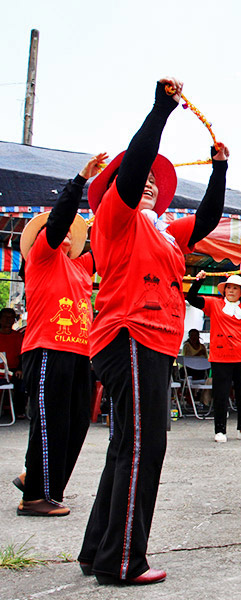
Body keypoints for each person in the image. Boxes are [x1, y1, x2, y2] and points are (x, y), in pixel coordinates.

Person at [78, 77, 228, 585]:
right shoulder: (114, 218)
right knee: (145, 445)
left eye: (151, 185)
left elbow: (207, 218)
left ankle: (98, 551)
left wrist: (219, 169)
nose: (146, 184)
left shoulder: (164, 231)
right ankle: (123, 563)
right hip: (129, 333)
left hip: (151, 341)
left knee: (128, 444)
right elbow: (138, 163)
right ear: (118, 186)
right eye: (135, 179)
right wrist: (161, 110)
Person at [14, 153, 105, 517]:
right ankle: (35, 496)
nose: (67, 232)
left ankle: (36, 479)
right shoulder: (42, 255)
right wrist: (80, 181)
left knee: (77, 422)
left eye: (72, 230)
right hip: (47, 347)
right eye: (60, 228)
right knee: (50, 421)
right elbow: (59, 220)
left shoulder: (81, 266)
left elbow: (106, 237)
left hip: (81, 352)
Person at [186, 266, 241, 442]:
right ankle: (220, 430)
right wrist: (199, 281)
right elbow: (191, 298)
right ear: (224, 290)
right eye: (229, 287)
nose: (231, 290)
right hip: (220, 357)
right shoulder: (213, 304)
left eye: (235, 288)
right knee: (221, 393)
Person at [0, 307, 26, 415]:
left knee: (22, 380)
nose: (8, 320)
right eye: (5, 317)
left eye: (11, 317)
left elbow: (23, 355)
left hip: (14, 369)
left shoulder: (18, 337)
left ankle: (18, 410)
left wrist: (20, 368)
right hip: (1, 370)